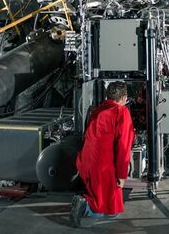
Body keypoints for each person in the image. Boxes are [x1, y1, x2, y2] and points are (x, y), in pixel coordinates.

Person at [70, 81, 135, 228]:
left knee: (100, 195)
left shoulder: (96, 110)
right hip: (102, 165)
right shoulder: (122, 112)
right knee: (111, 210)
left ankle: (87, 200)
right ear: (124, 98)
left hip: (85, 162)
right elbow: (123, 147)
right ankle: (85, 204)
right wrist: (122, 175)